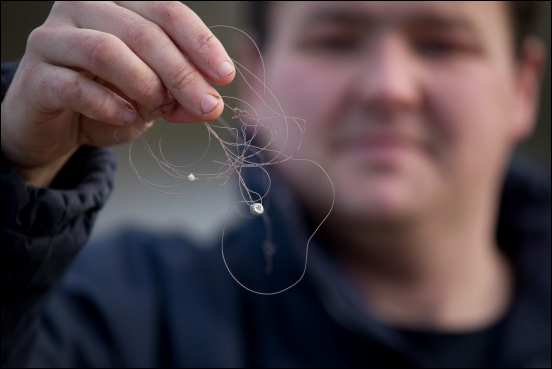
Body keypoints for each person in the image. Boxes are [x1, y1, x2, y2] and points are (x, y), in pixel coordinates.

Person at [1, 1, 550, 367]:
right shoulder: (125, 312)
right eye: (336, 40)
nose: (389, 88)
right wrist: (18, 170)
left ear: (523, 87)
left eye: (441, 44)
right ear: (254, 80)